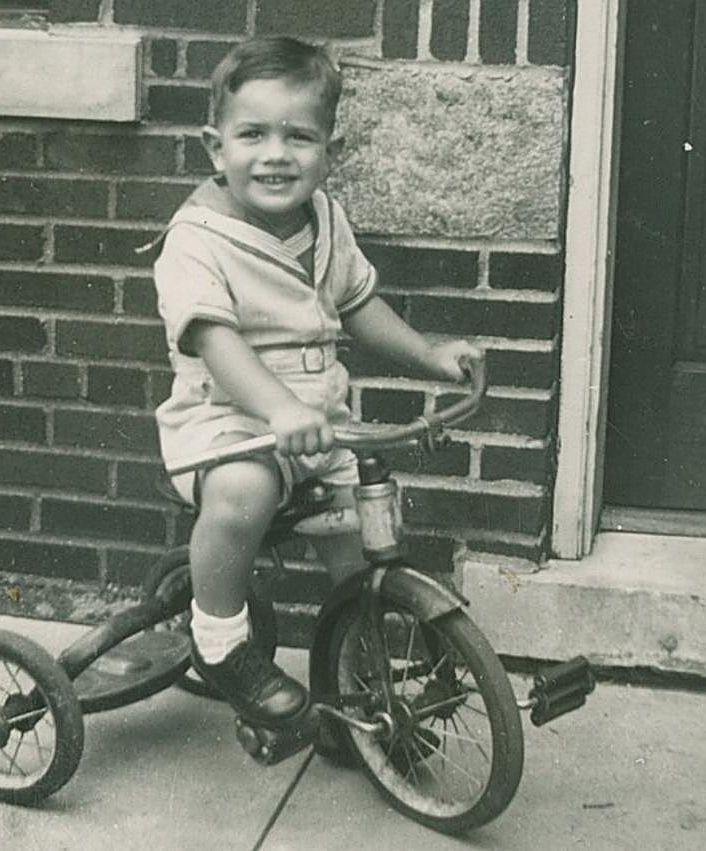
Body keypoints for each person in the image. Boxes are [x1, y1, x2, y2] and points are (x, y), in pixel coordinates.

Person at [152, 36, 481, 730]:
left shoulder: (323, 220)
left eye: (299, 136)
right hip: (227, 425)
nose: (276, 154)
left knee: (365, 529)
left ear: (331, 149)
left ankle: (361, 688)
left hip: (317, 423)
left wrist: (429, 354)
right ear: (216, 147)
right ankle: (219, 639)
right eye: (253, 135)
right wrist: (276, 410)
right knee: (246, 491)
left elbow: (359, 304)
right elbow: (218, 343)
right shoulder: (196, 241)